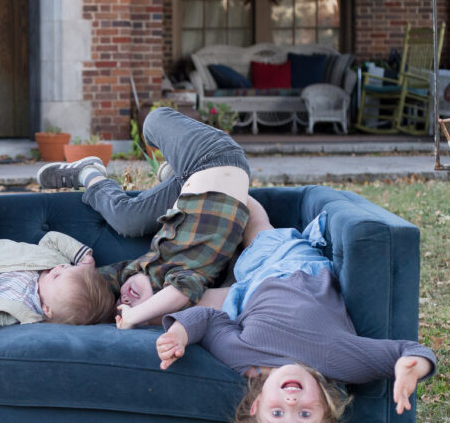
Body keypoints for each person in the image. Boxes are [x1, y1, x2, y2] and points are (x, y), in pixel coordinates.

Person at [153, 221, 436, 423]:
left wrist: (179, 335)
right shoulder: (341, 359)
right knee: (251, 218)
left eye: (277, 414)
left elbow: (207, 320)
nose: (291, 403)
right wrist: (411, 367)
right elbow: (413, 350)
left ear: (256, 405)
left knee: (168, 298)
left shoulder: (242, 356)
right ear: (326, 407)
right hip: (292, 259)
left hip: (249, 282)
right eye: (305, 414)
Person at [35, 107, 272, 329]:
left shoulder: (134, 272)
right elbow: (179, 294)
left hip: (192, 182)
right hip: (215, 157)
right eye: (129, 307)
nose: (125, 301)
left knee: (127, 219)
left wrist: (73, 275)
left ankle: (89, 174)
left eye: (120, 302)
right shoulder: (182, 276)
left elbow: (89, 288)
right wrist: (135, 316)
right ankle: (174, 173)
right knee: (153, 120)